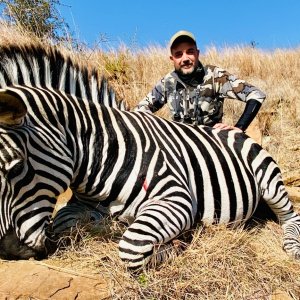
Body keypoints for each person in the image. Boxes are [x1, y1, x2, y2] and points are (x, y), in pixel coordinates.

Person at [134, 30, 266, 132]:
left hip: (211, 143)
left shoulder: (215, 76)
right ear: (172, 59)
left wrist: (239, 127)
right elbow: (140, 110)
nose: (185, 58)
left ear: (197, 53)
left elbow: (256, 94)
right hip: (180, 146)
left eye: (189, 52)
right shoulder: (167, 82)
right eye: (178, 54)